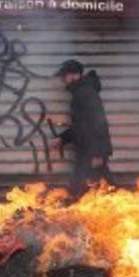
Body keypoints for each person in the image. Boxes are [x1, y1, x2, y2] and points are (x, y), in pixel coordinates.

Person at [54, 58, 112, 197]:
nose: (63, 79)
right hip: (86, 150)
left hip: (91, 151)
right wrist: (63, 139)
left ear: (74, 75)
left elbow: (99, 123)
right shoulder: (81, 92)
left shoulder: (85, 93)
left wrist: (98, 154)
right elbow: (81, 125)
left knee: (91, 188)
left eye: (64, 75)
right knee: (96, 188)